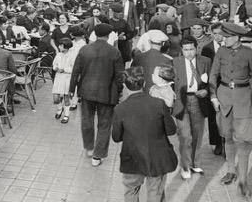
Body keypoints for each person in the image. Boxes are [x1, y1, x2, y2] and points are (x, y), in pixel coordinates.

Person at [112, 66, 177, 202]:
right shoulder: (159, 104)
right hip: (157, 158)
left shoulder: (120, 109)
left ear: (125, 85)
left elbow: (116, 137)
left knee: (131, 191)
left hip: (132, 158)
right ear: (145, 84)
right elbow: (171, 130)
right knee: (155, 192)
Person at [69, 23, 124, 167]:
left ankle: (89, 147)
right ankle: (97, 156)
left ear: (95, 34)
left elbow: (76, 71)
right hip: (107, 93)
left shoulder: (85, 50)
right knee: (104, 124)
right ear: (108, 35)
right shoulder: (114, 52)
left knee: (86, 121)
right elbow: (119, 76)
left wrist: (71, 89)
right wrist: (119, 91)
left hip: (86, 91)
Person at [209, 23, 252, 196]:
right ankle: (230, 171)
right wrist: (213, 96)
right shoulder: (221, 52)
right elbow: (213, 74)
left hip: (243, 99)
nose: (223, 39)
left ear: (236, 38)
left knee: (244, 140)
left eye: (226, 37)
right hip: (224, 98)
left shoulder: (248, 53)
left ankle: (243, 180)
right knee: (227, 136)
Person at [173, 36, 211, 179]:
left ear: (196, 48)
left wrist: (206, 91)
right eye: (185, 50)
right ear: (181, 50)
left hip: (198, 100)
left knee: (197, 134)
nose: (188, 53)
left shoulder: (205, 61)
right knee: (185, 136)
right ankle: (185, 166)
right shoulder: (175, 62)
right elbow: (171, 83)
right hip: (181, 102)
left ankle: (195, 163)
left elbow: (210, 81)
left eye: (191, 49)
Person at [201, 23, 224, 156]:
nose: (218, 36)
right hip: (213, 85)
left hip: (227, 85)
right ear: (212, 34)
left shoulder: (229, 46)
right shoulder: (207, 49)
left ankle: (227, 141)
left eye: (220, 33)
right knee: (213, 115)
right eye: (215, 33)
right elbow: (205, 69)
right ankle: (217, 143)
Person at [52, 38, 75, 124]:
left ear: (66, 47)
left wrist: (64, 69)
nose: (59, 46)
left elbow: (74, 69)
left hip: (67, 78)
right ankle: (59, 109)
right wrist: (56, 68)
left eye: (61, 45)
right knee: (56, 98)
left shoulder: (72, 56)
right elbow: (54, 64)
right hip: (58, 78)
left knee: (66, 98)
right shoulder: (58, 55)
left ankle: (66, 115)